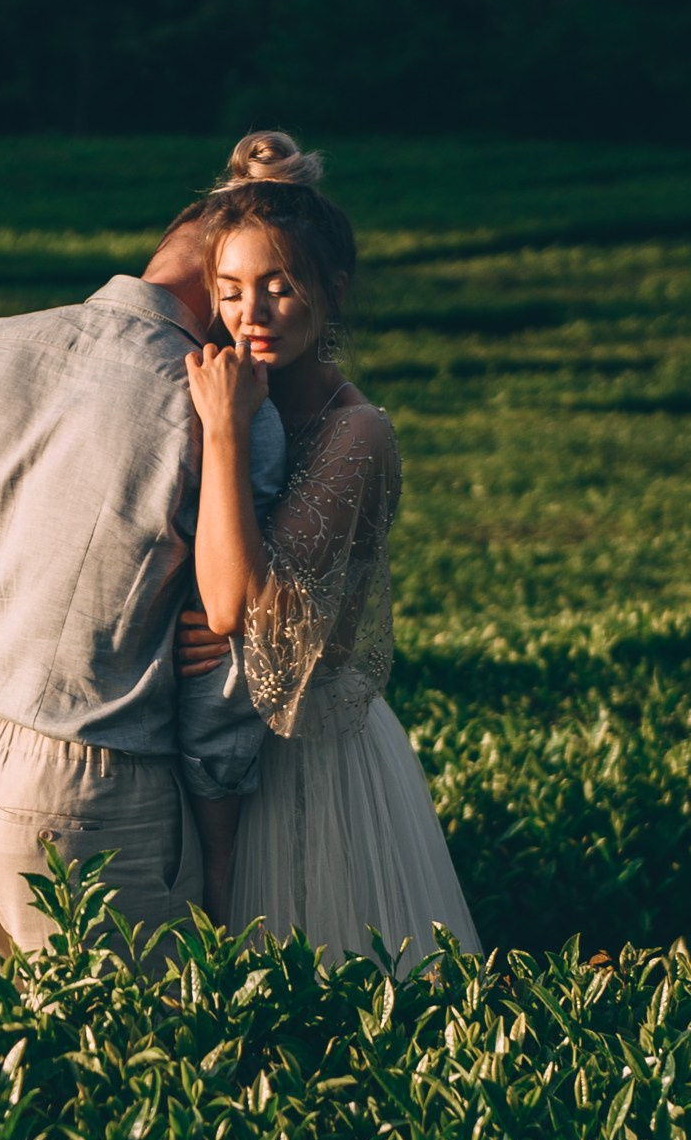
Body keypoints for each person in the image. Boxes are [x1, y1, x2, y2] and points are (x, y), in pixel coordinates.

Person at [0, 204, 283, 985]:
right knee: (135, 1081)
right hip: (93, 785)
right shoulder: (226, 414)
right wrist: (221, 849)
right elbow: (219, 655)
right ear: (221, 282)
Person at [179, 133, 477, 974]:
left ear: (331, 291)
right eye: (231, 290)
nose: (253, 313)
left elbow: (234, 605)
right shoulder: (232, 386)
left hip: (313, 757)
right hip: (229, 738)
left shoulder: (356, 431)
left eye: (280, 286)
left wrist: (226, 430)